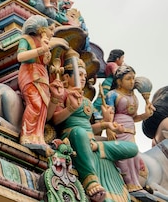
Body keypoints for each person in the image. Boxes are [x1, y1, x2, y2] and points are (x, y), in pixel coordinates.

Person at [51, 55, 138, 202]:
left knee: (132, 148)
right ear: (66, 76)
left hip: (91, 141)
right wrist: (71, 108)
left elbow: (90, 127)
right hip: (73, 136)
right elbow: (54, 119)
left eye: (85, 75)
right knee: (80, 133)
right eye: (79, 75)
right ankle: (90, 180)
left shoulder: (85, 100)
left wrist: (106, 125)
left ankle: (96, 148)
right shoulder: (63, 93)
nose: (83, 78)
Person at [16, 14, 67, 154]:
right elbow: (20, 57)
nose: (52, 33)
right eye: (51, 29)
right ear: (42, 28)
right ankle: (26, 136)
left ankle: (38, 138)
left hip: (42, 77)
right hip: (29, 74)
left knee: (43, 108)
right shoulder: (26, 39)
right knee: (35, 104)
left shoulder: (45, 43)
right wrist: (41, 49)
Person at [105, 65, 157, 201]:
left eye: (133, 78)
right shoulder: (112, 94)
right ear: (119, 81)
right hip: (118, 128)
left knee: (133, 157)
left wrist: (146, 114)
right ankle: (128, 184)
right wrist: (109, 128)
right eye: (128, 79)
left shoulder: (133, 97)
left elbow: (134, 118)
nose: (132, 81)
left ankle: (135, 185)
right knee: (123, 158)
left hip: (131, 130)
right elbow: (108, 113)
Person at [93, 49, 125, 119]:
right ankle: (94, 110)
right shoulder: (112, 64)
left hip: (112, 85)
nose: (123, 61)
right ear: (117, 58)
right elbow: (117, 74)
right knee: (101, 99)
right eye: (122, 58)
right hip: (109, 83)